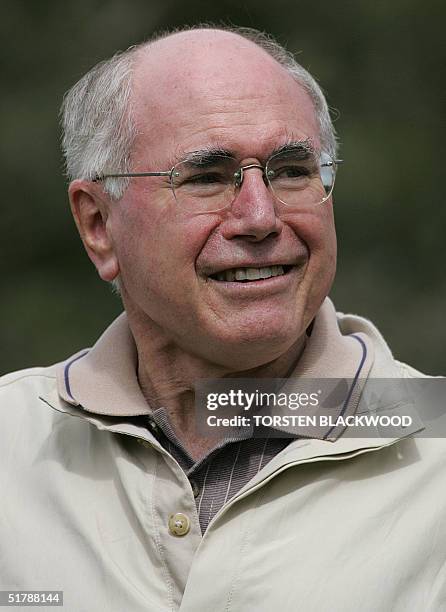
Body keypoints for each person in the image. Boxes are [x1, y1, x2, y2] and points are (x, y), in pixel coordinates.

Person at [0, 25, 444, 612]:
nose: (259, 216)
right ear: (99, 227)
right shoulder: (14, 447)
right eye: (206, 178)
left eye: (291, 171)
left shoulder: (432, 454)